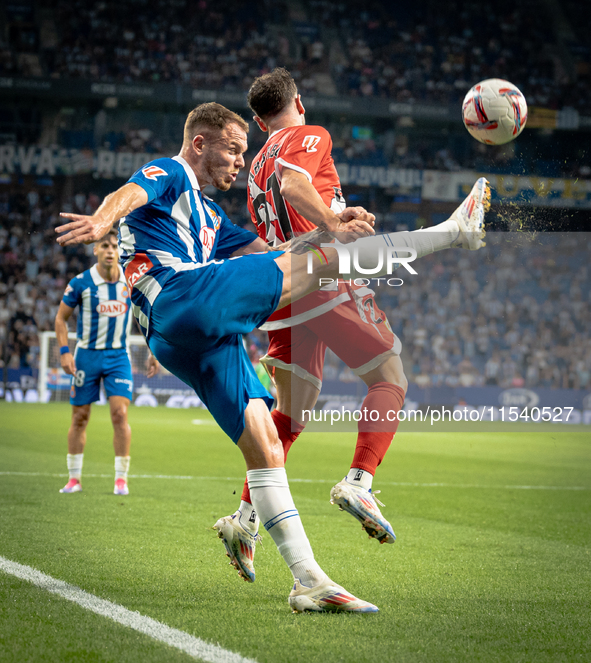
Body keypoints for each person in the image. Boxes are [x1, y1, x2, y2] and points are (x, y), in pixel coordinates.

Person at [56, 102, 488, 612]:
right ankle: (453, 233)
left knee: (265, 444)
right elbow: (128, 194)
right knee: (328, 265)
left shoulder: (212, 218)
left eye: (244, 151)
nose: (240, 161)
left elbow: (271, 251)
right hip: (185, 295)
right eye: (233, 149)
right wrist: (101, 219)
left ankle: (308, 580)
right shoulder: (171, 172)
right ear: (200, 143)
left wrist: (329, 228)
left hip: (182, 335)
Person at [214, 68, 491, 581]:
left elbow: (289, 191)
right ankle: (359, 482)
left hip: (282, 293)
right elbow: (296, 185)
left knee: (291, 416)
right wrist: (333, 222)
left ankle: (245, 517)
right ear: (298, 100)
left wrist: (337, 210)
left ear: (257, 119)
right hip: (319, 277)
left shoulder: (255, 161)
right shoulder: (308, 134)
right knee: (390, 377)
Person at [55, 229, 158, 496]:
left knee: (120, 414)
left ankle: (121, 479)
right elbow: (60, 319)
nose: (110, 250)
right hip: (86, 356)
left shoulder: (129, 280)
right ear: (95, 250)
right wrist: (65, 351)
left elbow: (144, 314)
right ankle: (74, 478)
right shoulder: (80, 283)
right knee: (79, 417)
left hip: (117, 357)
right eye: (105, 246)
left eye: (114, 246)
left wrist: (153, 349)